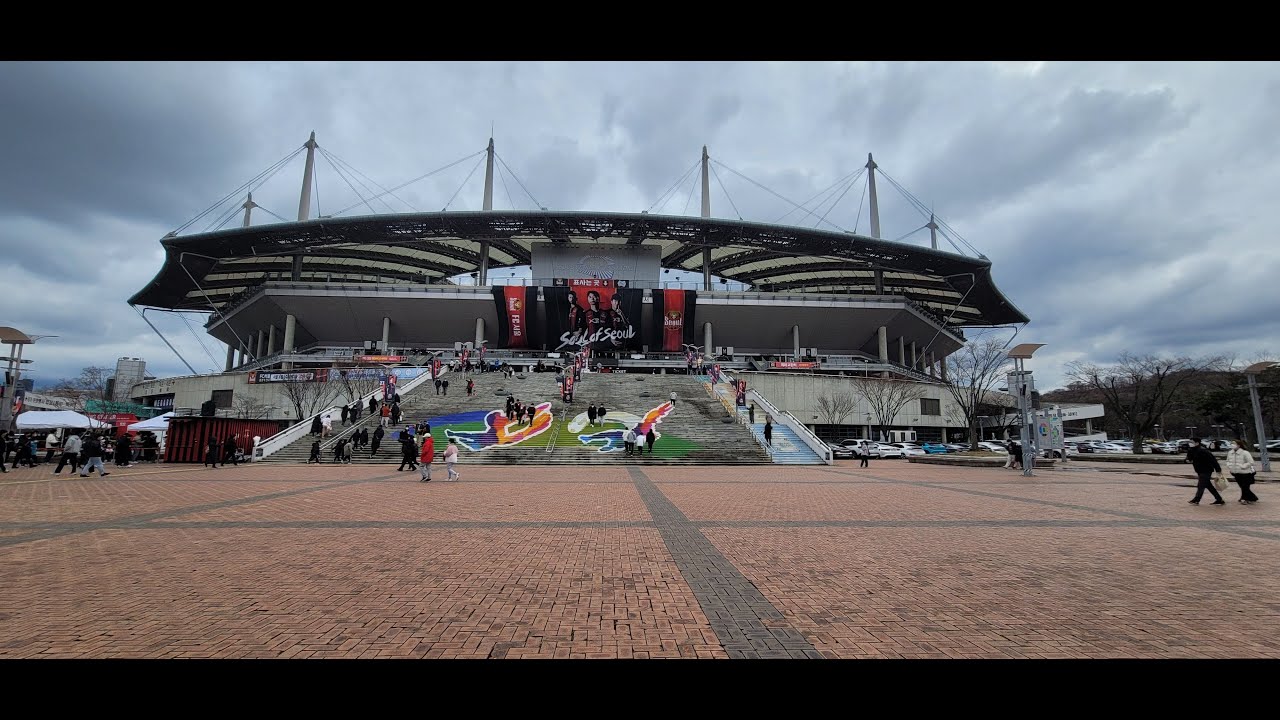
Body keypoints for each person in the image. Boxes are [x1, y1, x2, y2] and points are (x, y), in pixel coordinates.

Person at [1185, 437, 1225, 505]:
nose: (1190, 444)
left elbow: (1213, 460)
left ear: (1197, 443)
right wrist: (1187, 459)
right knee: (1208, 485)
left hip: (1207, 470)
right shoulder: (1191, 450)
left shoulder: (1203, 450)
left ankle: (1196, 499)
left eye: (1191, 442)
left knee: (1201, 485)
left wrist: (1218, 470)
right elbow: (1189, 458)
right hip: (1199, 470)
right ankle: (1219, 499)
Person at [1226, 438, 1259, 505]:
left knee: (1245, 486)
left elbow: (1251, 462)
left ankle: (1244, 498)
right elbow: (1228, 461)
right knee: (1242, 486)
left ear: (1239, 445)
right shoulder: (1230, 453)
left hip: (1245, 473)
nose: (1232, 445)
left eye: (1234, 443)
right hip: (1235, 472)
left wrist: (1243, 466)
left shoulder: (1245, 453)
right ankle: (1252, 497)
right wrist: (1229, 466)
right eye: (1232, 443)